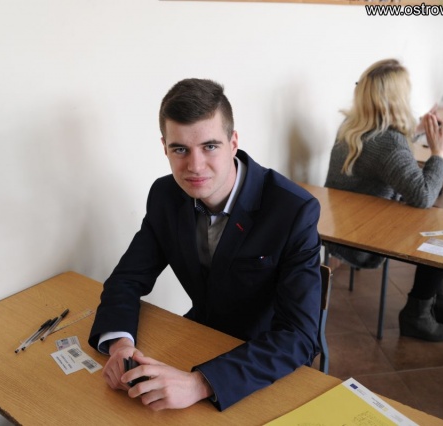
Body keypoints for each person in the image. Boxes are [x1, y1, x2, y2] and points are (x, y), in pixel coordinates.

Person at [89, 78, 322, 411]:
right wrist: (120, 346)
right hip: (199, 338)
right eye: (180, 149)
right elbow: (126, 279)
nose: (195, 166)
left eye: (210, 146)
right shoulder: (165, 196)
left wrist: (200, 383)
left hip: (265, 362)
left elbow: (298, 336)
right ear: (164, 148)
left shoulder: (293, 210)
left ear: (233, 142)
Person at [325, 59, 443, 342]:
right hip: (365, 238)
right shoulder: (388, 143)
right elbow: (423, 195)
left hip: (340, 227)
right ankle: (418, 312)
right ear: (398, 98)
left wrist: (414, 130)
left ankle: (435, 302)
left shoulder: (351, 125)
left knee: (435, 220)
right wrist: (438, 154)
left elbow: (385, 152)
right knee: (441, 232)